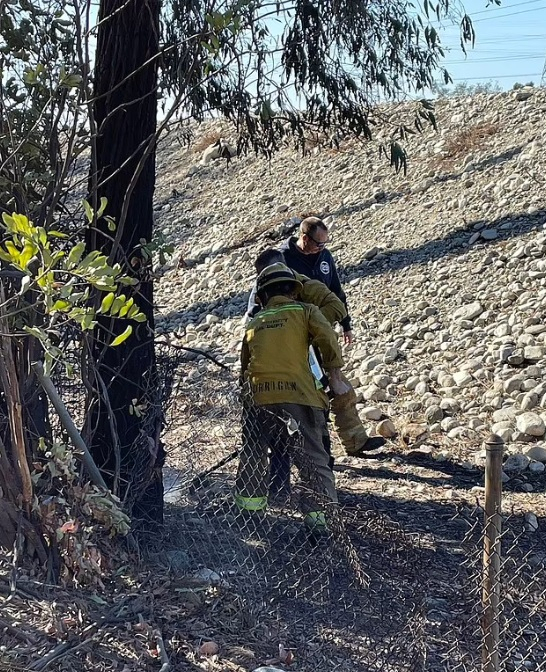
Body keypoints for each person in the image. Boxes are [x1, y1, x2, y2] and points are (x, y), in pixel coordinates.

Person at [236, 263, 349, 538]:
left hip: (259, 398)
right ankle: (321, 524)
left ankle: (249, 517)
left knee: (253, 453)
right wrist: (334, 376)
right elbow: (328, 337)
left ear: (261, 297)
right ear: (294, 292)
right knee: (313, 458)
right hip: (301, 397)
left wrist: (248, 403)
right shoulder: (306, 311)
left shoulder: (255, 322)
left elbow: (244, 366)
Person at [247, 248, 386, 459]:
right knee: (306, 405)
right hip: (279, 358)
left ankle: (353, 442)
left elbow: (336, 306)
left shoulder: (302, 284)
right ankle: (314, 455)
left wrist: (309, 328)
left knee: (340, 392)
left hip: (309, 353)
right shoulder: (260, 292)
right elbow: (252, 325)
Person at [280, 216, 353, 345]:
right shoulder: (283, 258)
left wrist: (346, 325)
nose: (322, 247)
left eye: (325, 244)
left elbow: (336, 290)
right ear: (305, 238)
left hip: (321, 319)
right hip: (296, 322)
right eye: (319, 244)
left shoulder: (325, 255)